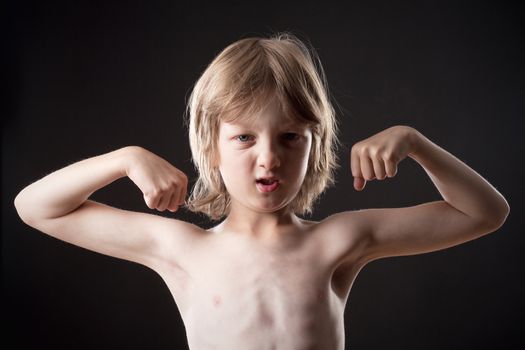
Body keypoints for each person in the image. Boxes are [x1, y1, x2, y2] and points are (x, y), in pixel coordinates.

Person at [14, 32, 510, 350]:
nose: (268, 157)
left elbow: (485, 213)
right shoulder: (184, 248)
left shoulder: (337, 241)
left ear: (314, 147)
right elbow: (36, 207)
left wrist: (416, 144)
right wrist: (124, 159)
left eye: (290, 137)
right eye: (244, 137)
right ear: (212, 147)